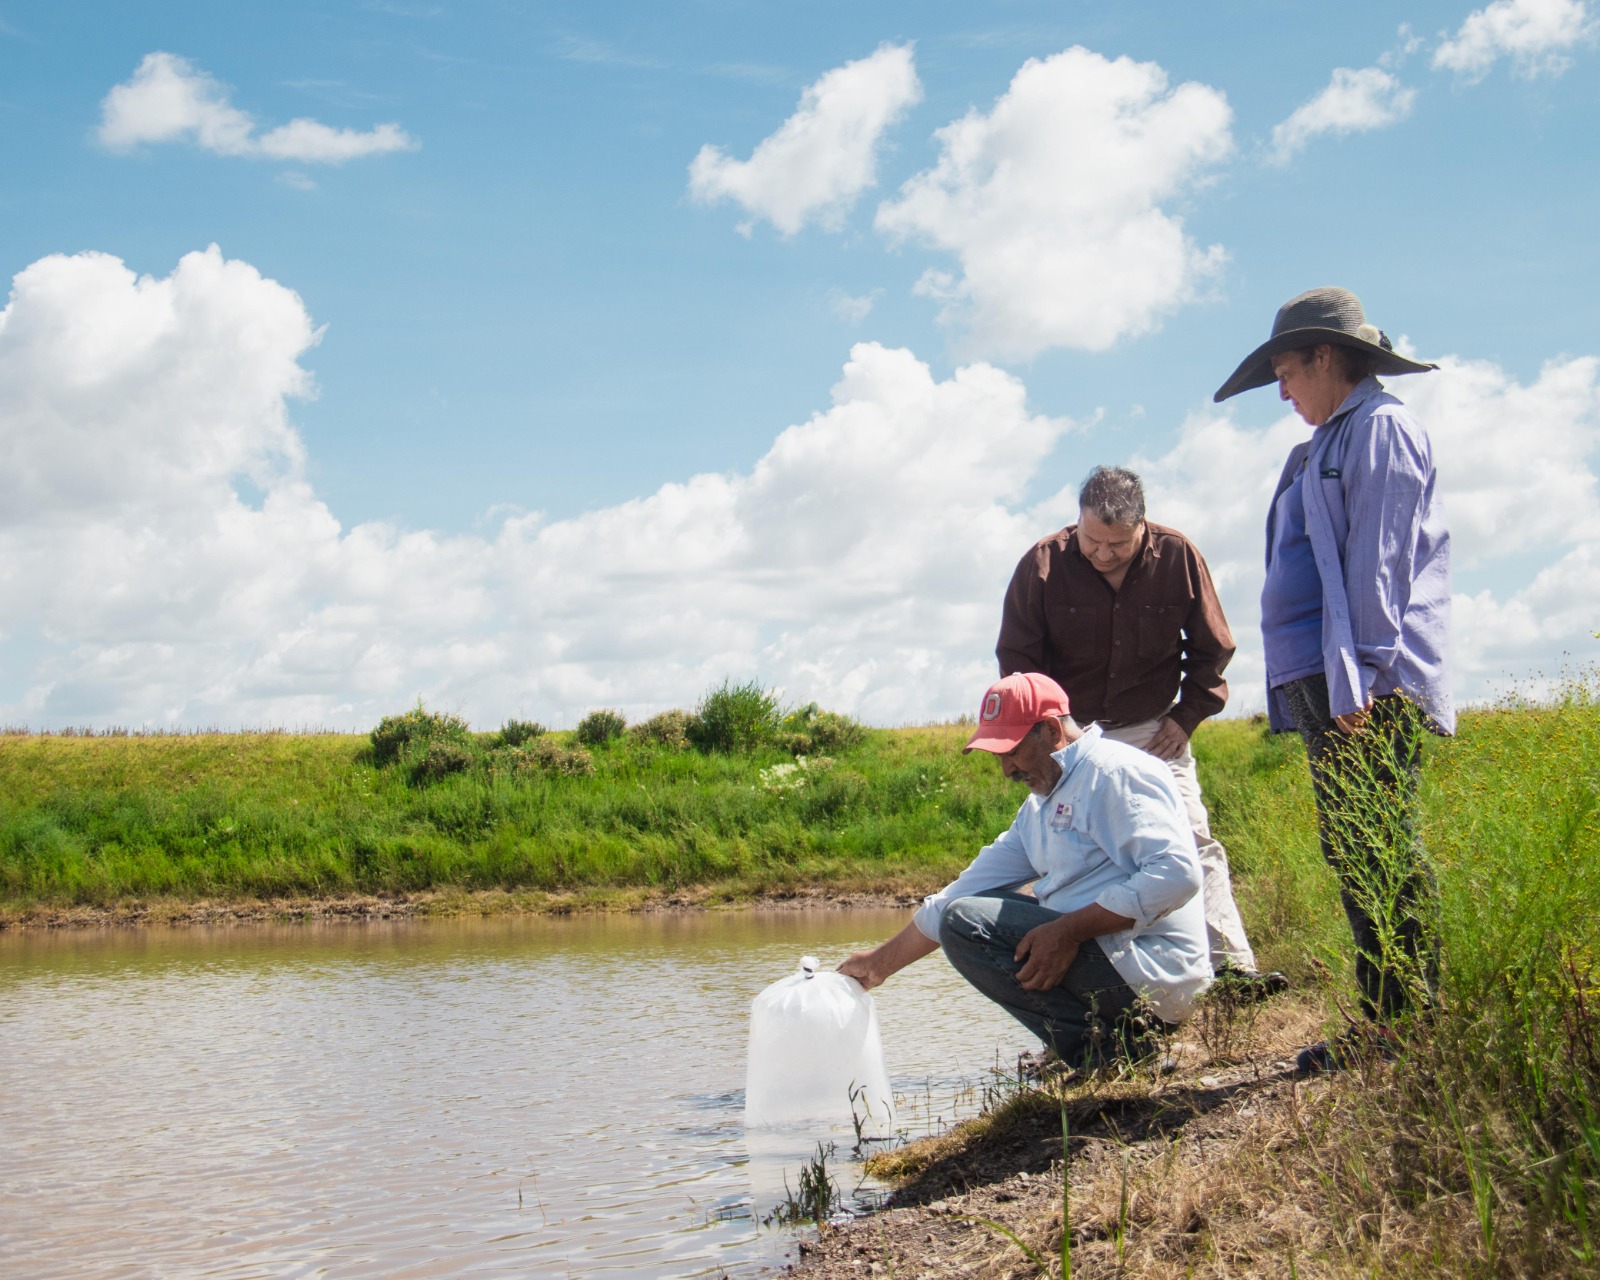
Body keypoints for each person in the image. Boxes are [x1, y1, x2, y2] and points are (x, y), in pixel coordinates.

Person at [1213, 285, 1451, 1073]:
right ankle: (1388, 1020)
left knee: (1380, 843)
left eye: (1287, 371)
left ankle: (1404, 1027)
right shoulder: (1327, 441)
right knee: (1355, 846)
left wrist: (1366, 679)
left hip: (1364, 681)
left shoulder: (1379, 430)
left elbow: (1377, 565)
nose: (1281, 391)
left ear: (1326, 357)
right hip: (1332, 674)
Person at [996, 465, 1284, 1000]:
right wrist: (1050, 736)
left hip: (1155, 730)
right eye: (1092, 542)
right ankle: (1087, 985)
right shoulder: (1040, 565)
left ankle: (1232, 970)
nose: (1104, 554)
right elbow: (1018, 666)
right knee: (1071, 855)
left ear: (1143, 528)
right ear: (1076, 523)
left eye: (1118, 545)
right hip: (1072, 738)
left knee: (1193, 840)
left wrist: (1185, 717)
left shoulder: (1178, 556)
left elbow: (1213, 648)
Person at [838, 672, 1210, 1073]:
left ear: (1051, 730)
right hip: (1114, 964)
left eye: (1011, 751)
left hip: (1154, 974)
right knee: (963, 912)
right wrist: (877, 965)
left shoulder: (1115, 773)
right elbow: (961, 892)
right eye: (998, 756)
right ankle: (1111, 1046)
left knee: (966, 923)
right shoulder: (1039, 807)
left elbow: (1176, 874)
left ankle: (1109, 1055)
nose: (1005, 770)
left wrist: (1068, 931)